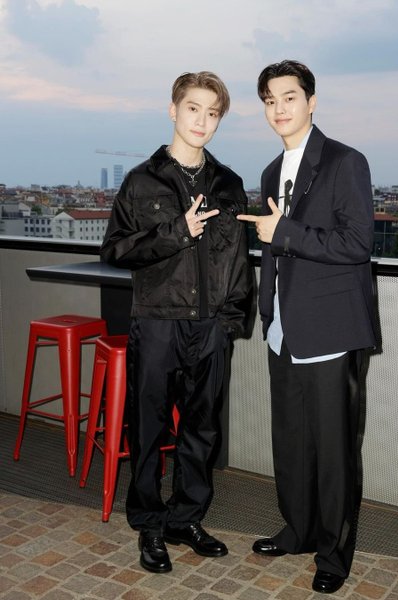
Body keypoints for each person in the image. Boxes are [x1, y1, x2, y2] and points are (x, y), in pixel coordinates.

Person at [101, 71, 253, 574]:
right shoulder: (140, 180)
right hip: (158, 321)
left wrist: (231, 323)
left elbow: (238, 261)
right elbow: (115, 250)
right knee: (148, 428)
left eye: (212, 113)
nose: (202, 120)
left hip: (211, 326)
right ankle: (149, 524)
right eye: (193, 108)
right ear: (173, 110)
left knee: (202, 430)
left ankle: (185, 519)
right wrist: (176, 231)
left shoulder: (229, 184)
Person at [237, 60, 377, 594]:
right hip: (283, 327)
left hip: (330, 329)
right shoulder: (271, 171)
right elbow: (275, 245)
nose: (279, 109)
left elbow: (357, 243)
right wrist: (267, 308)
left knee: (334, 451)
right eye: (270, 100)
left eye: (289, 97)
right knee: (291, 441)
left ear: (311, 102)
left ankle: (334, 556)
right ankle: (297, 530)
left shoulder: (345, 161)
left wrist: (285, 232)